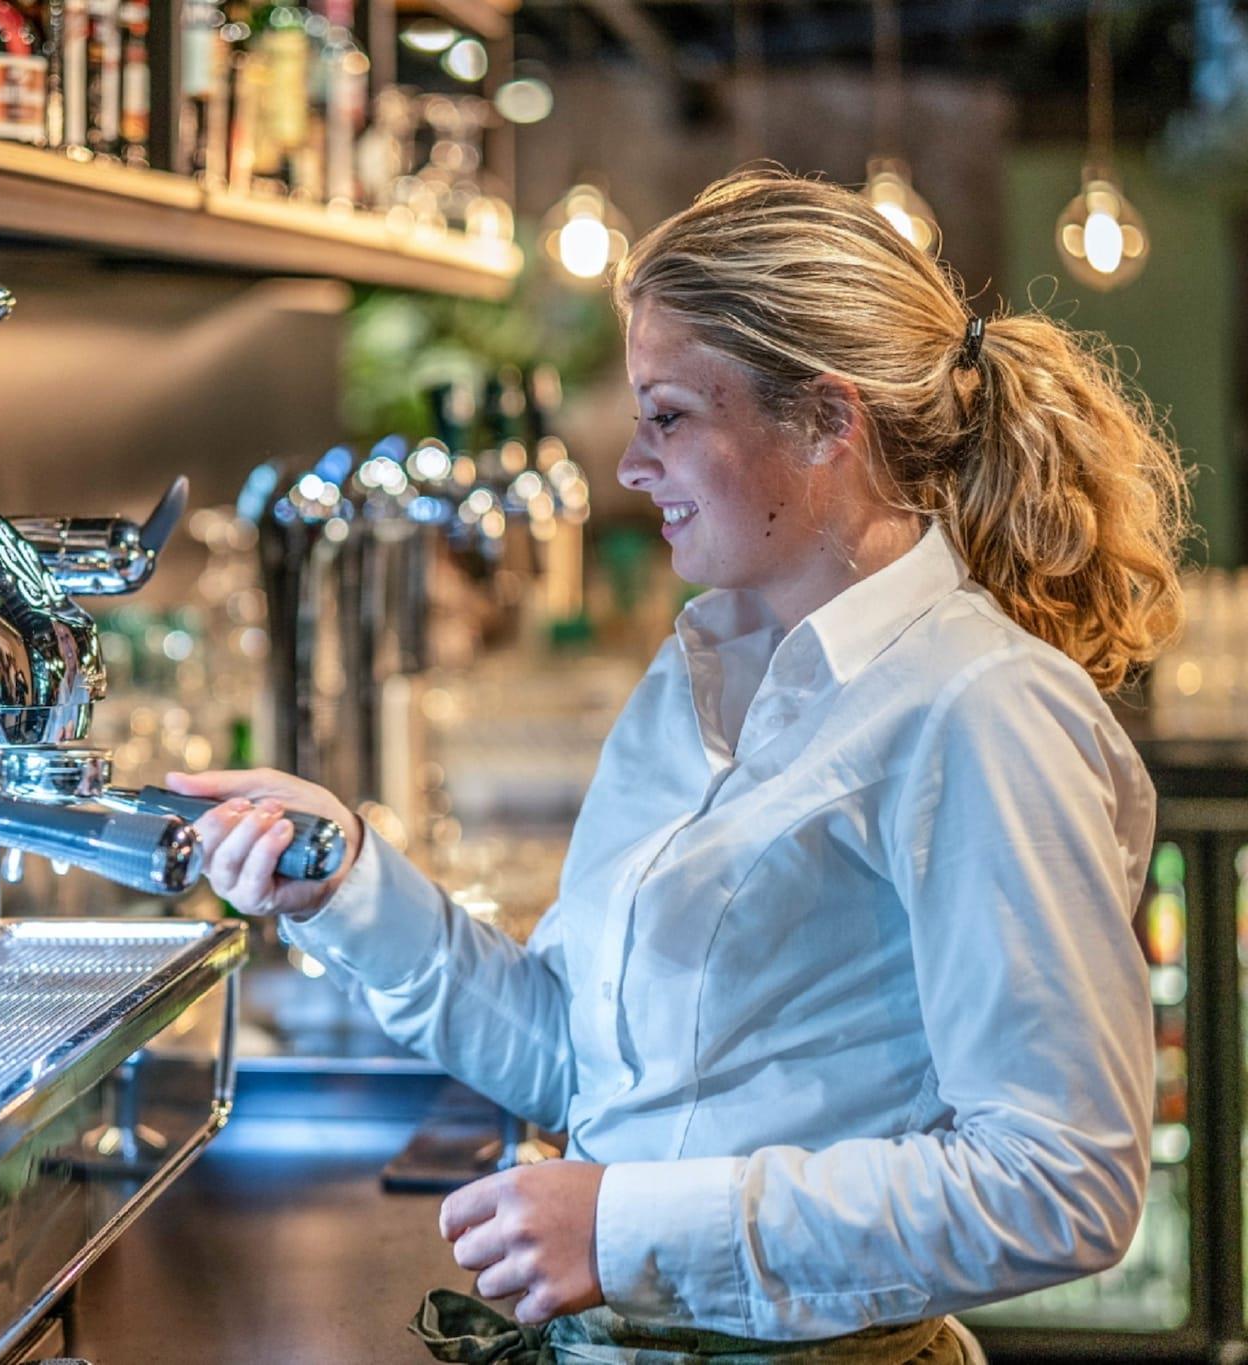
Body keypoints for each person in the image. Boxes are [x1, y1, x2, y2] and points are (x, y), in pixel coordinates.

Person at [167, 168, 1190, 1363]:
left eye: (668, 416)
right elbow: (581, 1065)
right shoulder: (696, 673)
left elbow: (1059, 1185)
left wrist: (629, 1230)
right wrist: (346, 885)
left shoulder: (980, 707)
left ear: (824, 421)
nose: (630, 465)